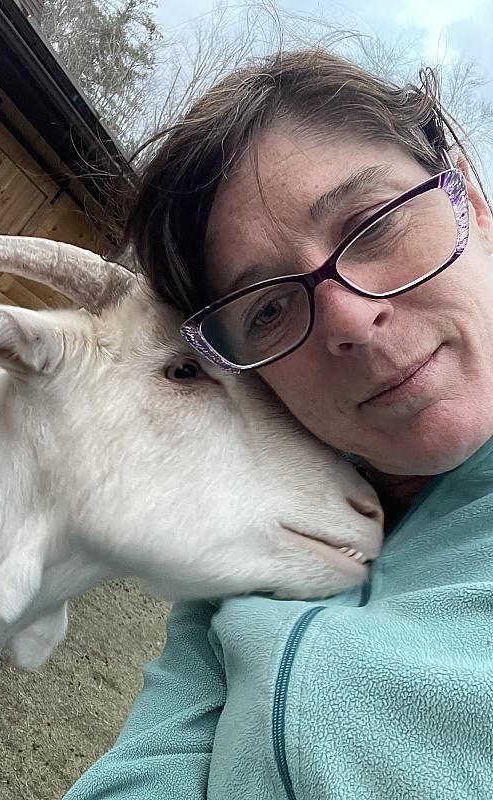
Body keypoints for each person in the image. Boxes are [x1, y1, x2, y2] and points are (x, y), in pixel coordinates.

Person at [64, 49, 493, 799]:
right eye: (267, 308)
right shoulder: (257, 551)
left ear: (471, 201)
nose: (352, 321)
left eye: (372, 226)